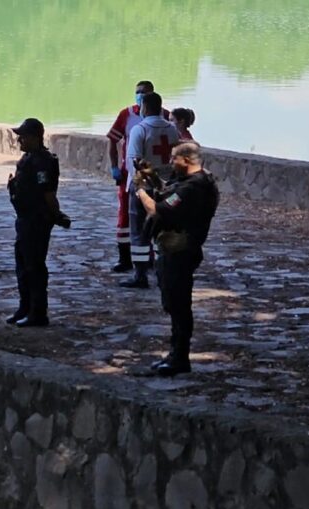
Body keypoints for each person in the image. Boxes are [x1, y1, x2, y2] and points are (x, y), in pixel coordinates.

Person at [135, 142, 219, 376]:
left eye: (174, 159)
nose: (171, 162)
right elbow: (170, 196)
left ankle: (180, 357)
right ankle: (176, 353)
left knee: (179, 305)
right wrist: (152, 179)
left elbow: (157, 209)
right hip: (178, 249)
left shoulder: (194, 187)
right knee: (174, 303)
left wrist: (141, 190)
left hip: (180, 250)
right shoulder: (197, 182)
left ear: (186, 160)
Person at [6, 118, 70, 328]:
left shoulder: (43, 161)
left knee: (34, 266)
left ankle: (38, 312)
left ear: (35, 137)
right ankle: (24, 307)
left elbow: (48, 193)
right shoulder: (28, 158)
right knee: (22, 265)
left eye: (22, 136)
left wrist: (57, 215)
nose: (19, 141)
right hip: (24, 218)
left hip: (36, 219)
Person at [122, 91, 179, 289]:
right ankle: (164, 272)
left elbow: (134, 161)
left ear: (145, 107)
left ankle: (140, 275)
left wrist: (135, 186)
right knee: (162, 231)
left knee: (139, 232)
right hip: (166, 188)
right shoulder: (172, 130)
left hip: (143, 188)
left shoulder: (140, 129)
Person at [107, 80, 158, 273]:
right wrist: (114, 167)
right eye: (137, 92)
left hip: (155, 178)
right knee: (125, 218)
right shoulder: (126, 115)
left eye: (144, 93)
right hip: (129, 177)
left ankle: (149, 260)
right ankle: (124, 259)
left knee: (154, 218)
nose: (140, 95)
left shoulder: (165, 116)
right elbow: (112, 140)